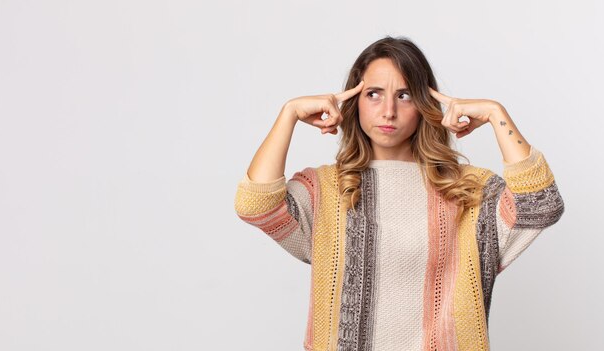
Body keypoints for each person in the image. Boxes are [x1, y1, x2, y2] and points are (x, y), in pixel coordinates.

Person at [233, 36, 564, 351]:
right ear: (354, 102)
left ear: (424, 104)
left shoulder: (467, 190)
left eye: (404, 95)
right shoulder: (327, 189)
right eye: (373, 94)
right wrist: (288, 113)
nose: (388, 110)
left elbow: (542, 204)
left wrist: (496, 114)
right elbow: (255, 205)